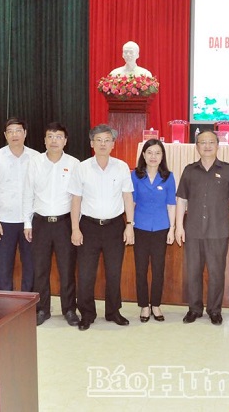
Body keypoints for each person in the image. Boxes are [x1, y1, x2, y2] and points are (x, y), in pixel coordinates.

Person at [68, 124, 134, 331]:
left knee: (114, 272)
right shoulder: (82, 168)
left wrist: (129, 225)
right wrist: (75, 228)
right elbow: (75, 200)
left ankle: (113, 311)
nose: (103, 144)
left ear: (113, 144)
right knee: (86, 274)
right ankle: (87, 313)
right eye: (99, 140)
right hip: (88, 226)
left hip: (115, 226)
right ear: (92, 143)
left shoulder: (122, 167)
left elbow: (127, 197)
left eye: (107, 140)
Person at [175, 130, 229, 325]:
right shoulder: (189, 170)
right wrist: (179, 226)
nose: (207, 146)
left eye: (211, 142)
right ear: (197, 146)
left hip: (218, 230)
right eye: (203, 142)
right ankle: (194, 309)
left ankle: (214, 310)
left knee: (216, 272)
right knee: (193, 272)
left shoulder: (228, 170)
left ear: (217, 145)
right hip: (193, 230)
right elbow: (181, 200)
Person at [22, 122, 80, 326]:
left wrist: (76, 226)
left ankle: (69, 309)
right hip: (41, 223)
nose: (54, 140)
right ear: (44, 140)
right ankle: (42, 309)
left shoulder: (74, 164)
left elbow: (77, 197)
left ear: (65, 141)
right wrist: (27, 223)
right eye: (50, 136)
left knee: (67, 269)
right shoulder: (35, 162)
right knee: (40, 269)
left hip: (64, 223)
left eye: (58, 136)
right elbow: (28, 193)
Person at [0, 117, 39, 292]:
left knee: (31, 266)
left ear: (25, 133)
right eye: (10, 131)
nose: (14, 135)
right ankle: (4, 304)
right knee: (4, 267)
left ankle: (29, 303)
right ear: (5, 135)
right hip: (4, 221)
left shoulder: (36, 157)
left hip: (30, 221)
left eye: (18, 131)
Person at [131, 139, 176, 322]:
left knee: (158, 269)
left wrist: (172, 229)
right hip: (140, 228)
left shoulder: (168, 177)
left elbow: (171, 204)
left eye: (157, 153)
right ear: (143, 155)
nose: (153, 156)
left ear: (162, 156)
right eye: (149, 152)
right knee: (141, 269)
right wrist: (129, 226)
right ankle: (144, 305)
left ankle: (156, 305)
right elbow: (132, 202)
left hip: (160, 228)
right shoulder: (135, 175)